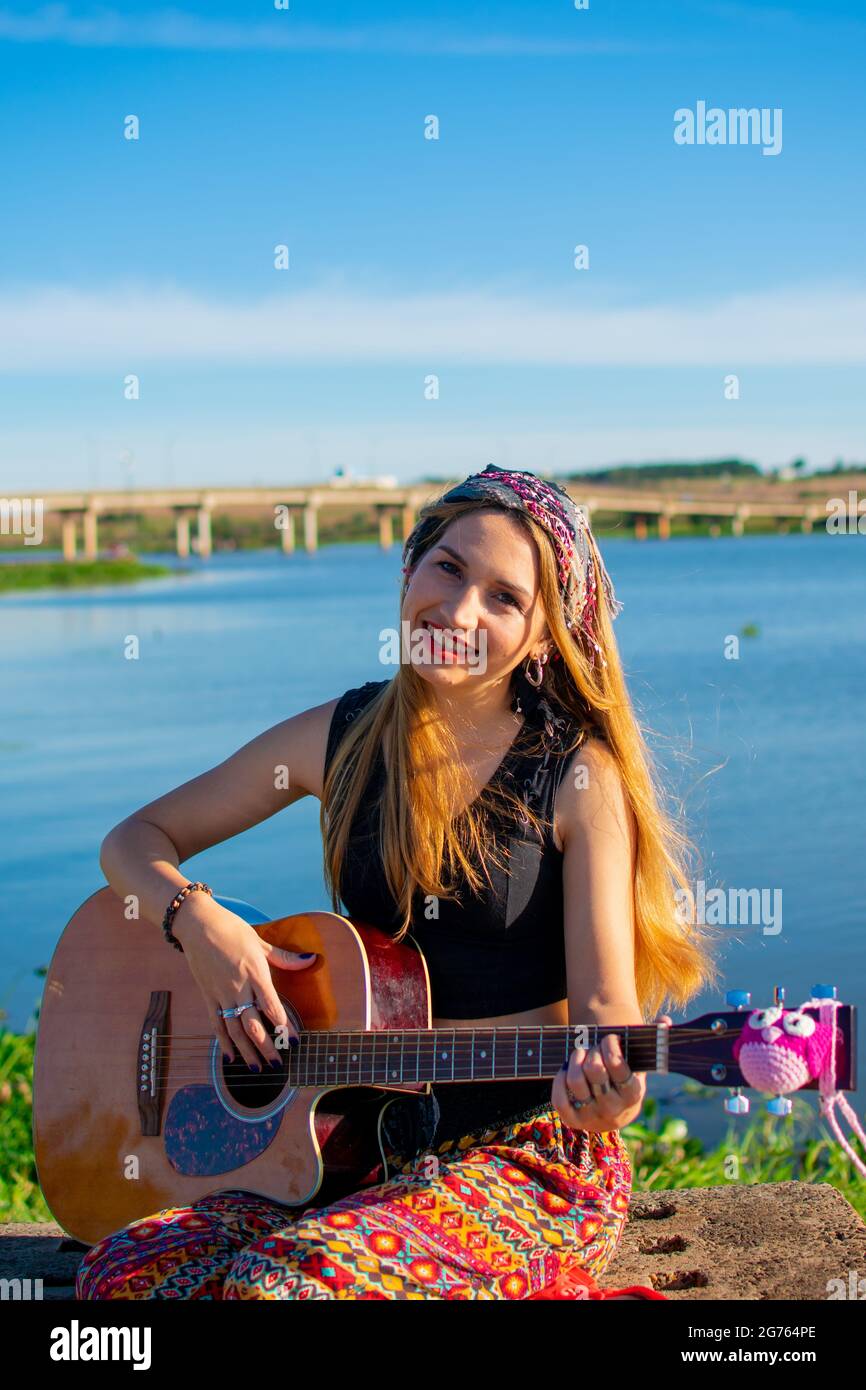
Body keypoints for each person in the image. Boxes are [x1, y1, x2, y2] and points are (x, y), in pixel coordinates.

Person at [75, 464, 716, 1301]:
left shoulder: (574, 779)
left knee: (285, 1287)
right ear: (408, 568)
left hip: (522, 1156)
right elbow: (134, 842)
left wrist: (611, 1096)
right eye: (447, 567)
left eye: (504, 598)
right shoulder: (335, 740)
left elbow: (608, 1025)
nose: (458, 611)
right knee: (120, 1275)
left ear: (545, 636)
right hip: (351, 1142)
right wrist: (202, 926)